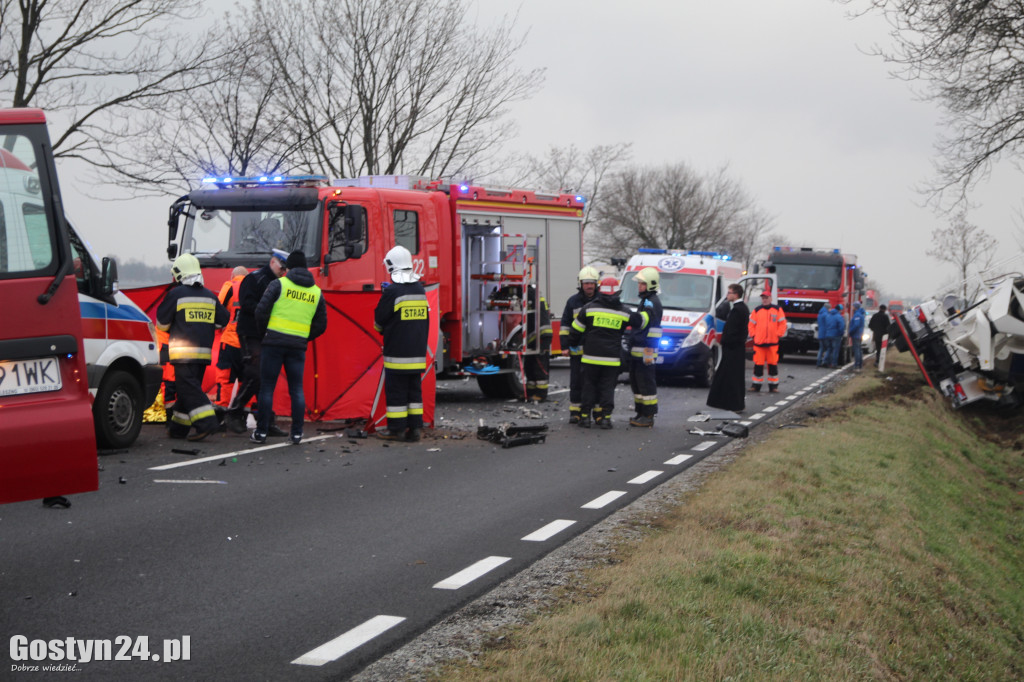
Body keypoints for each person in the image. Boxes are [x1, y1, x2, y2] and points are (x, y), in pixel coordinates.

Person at [251, 251, 327, 445]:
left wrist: (264, 333)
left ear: (289, 268)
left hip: (273, 343)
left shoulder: (279, 284)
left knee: (267, 388)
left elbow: (260, 311)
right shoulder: (316, 293)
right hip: (297, 346)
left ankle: (261, 433)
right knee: (297, 390)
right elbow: (321, 325)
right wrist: (304, 337)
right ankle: (297, 434)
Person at [156, 253, 228, 441]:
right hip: (203, 354)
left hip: (182, 354)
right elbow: (224, 320)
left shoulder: (176, 294)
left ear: (180, 274)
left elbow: (161, 323)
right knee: (188, 389)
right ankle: (178, 430)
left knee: (189, 389)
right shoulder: (210, 296)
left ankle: (207, 423)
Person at [566, 277, 647, 429]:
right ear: (617, 292)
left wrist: (573, 344)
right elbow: (640, 322)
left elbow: (575, 331)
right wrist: (648, 308)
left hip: (590, 357)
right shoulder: (624, 311)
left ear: (600, 291)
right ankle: (605, 419)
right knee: (607, 388)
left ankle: (585, 418)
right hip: (612, 359)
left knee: (588, 386)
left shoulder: (589, 308)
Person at [224, 250, 289, 435]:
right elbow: (247, 304)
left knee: (265, 375)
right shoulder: (254, 279)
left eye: (285, 269)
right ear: (273, 262)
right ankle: (236, 412)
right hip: (250, 332)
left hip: (264, 333)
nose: (283, 271)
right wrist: (268, 312)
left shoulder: (275, 282)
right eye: (281, 267)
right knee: (256, 372)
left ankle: (266, 421)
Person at [374, 245, 430, 442]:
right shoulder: (420, 290)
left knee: (396, 392)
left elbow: (378, 321)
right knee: (414, 393)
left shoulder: (393, 291)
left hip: (397, 354)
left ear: (392, 266)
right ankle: (415, 429)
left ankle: (396, 429)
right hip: (417, 353)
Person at [559, 266, 600, 423]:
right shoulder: (573, 301)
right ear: (581, 284)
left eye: (592, 283)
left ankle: (597, 413)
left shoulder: (602, 300)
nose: (589, 286)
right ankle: (575, 412)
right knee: (576, 382)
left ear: (597, 284)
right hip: (577, 352)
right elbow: (565, 325)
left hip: (596, 351)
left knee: (595, 382)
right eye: (586, 283)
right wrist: (564, 346)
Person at [626, 267, 662, 427]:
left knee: (645, 382)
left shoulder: (651, 302)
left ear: (651, 284)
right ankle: (640, 412)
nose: (639, 286)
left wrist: (627, 315)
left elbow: (642, 321)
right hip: (641, 348)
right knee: (636, 381)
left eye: (642, 283)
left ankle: (648, 415)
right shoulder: (646, 301)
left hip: (646, 349)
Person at [707, 283, 750, 412]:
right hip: (736, 348)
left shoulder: (738, 310)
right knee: (732, 376)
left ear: (735, 294)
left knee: (732, 377)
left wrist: (725, 341)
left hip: (733, 349)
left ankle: (734, 403)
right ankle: (732, 403)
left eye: (729, 292)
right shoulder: (741, 308)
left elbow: (733, 330)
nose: (727, 295)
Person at [214, 266, 249, 408]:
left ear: (232, 275)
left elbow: (217, 308)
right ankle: (243, 414)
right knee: (246, 381)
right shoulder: (255, 289)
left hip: (229, 342)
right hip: (248, 344)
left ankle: (222, 411)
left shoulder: (229, 286)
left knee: (225, 379)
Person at [748, 290, 787, 393]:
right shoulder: (757, 310)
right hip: (759, 343)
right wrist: (754, 335)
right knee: (758, 365)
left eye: (766, 298)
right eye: (763, 298)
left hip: (772, 343)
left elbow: (782, 323)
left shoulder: (777, 310)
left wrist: (778, 334)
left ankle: (773, 386)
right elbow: (751, 325)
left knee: (772, 365)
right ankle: (756, 386)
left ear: (770, 298)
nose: (764, 300)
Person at [523, 284, 553, 402]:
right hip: (536, 336)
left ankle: (541, 394)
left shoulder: (530, 295)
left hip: (541, 336)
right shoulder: (534, 296)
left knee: (539, 366)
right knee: (529, 366)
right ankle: (530, 393)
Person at [824, 303, 846, 367]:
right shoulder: (839, 317)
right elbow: (841, 327)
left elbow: (825, 325)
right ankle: (834, 363)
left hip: (828, 334)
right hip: (836, 335)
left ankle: (825, 361)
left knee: (829, 349)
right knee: (835, 350)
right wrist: (841, 334)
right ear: (839, 310)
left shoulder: (828, 315)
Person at [849, 301, 867, 370]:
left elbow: (856, 325)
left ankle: (857, 364)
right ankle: (859, 363)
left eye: (853, 306)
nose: (852, 307)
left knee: (857, 350)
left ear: (855, 307)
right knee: (858, 349)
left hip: (856, 335)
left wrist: (851, 331)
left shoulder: (857, 315)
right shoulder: (859, 314)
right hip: (858, 334)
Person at [815, 302, 831, 367]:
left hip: (820, 333)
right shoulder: (826, 315)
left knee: (821, 348)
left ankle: (818, 361)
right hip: (825, 334)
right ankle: (825, 361)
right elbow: (828, 324)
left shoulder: (820, 314)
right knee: (828, 348)